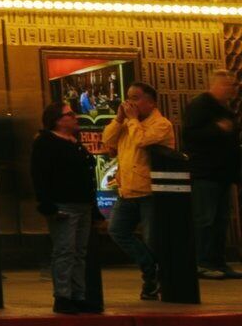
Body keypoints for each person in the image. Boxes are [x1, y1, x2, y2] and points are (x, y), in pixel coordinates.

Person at [32, 99, 104, 313]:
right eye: (69, 115)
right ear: (57, 121)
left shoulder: (74, 141)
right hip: (63, 204)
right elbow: (39, 174)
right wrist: (46, 203)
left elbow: (87, 177)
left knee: (79, 252)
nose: (75, 117)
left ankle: (78, 295)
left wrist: (94, 208)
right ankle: (63, 296)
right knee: (65, 250)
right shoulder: (46, 142)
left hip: (82, 204)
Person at [108, 82, 179, 294]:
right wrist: (119, 119)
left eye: (136, 98)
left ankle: (154, 281)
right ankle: (152, 270)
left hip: (151, 191)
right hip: (127, 189)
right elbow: (108, 140)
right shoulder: (128, 123)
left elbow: (141, 140)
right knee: (117, 230)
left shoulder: (161, 124)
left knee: (152, 240)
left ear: (151, 102)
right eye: (128, 97)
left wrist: (130, 120)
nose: (130, 102)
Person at [187, 68, 240, 279]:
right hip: (205, 174)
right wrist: (218, 129)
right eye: (227, 85)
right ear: (216, 85)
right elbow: (190, 136)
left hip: (222, 174)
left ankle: (218, 261)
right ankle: (203, 262)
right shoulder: (200, 106)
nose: (231, 89)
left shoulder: (225, 109)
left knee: (221, 220)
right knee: (205, 219)